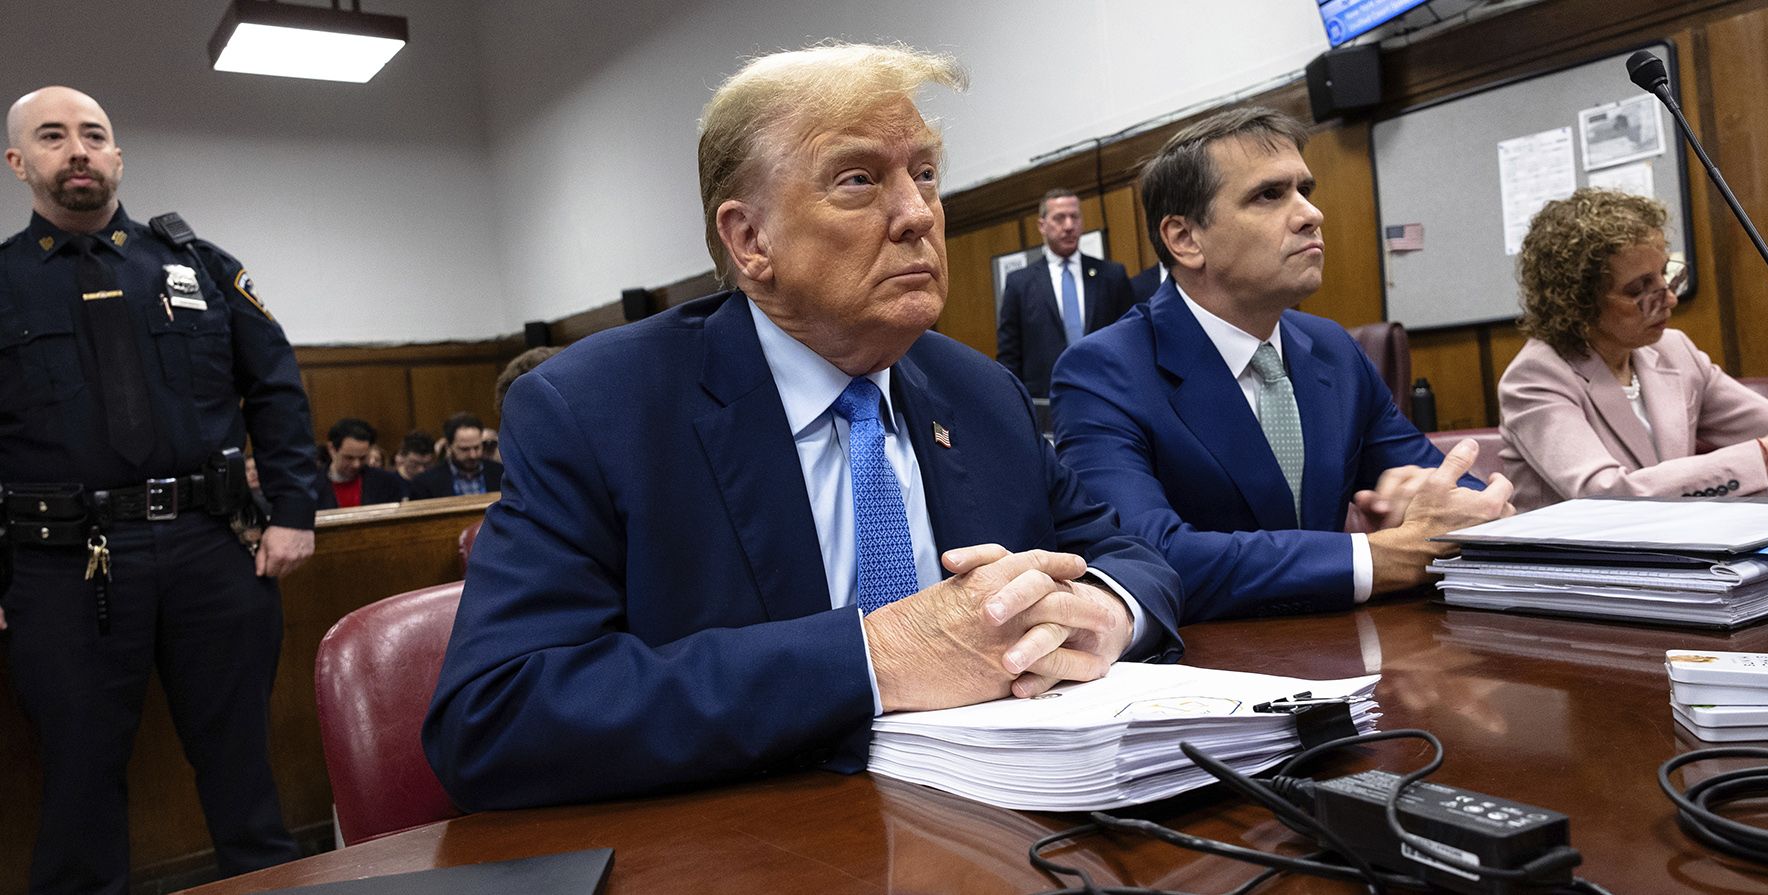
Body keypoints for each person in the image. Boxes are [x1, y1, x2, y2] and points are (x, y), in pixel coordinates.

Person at [423, 43, 1183, 812]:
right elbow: (495, 713)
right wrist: (877, 657)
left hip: (1004, 827)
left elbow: (1125, 555)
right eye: (859, 180)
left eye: (925, 173)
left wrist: (1106, 613)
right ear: (751, 240)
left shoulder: (982, 393)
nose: (918, 214)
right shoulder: (595, 410)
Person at [0, 86, 316, 893]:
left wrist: (291, 512)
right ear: (18, 163)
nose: (77, 149)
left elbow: (275, 386)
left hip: (212, 546)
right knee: (78, 778)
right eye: (52, 136)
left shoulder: (199, 264)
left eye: (94, 134)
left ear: (116, 156)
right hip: (61, 565)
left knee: (242, 763)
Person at [1050, 107, 1511, 624]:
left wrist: (1467, 508)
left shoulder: (1331, 348)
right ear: (1185, 239)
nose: (1310, 214)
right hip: (1208, 673)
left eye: (1304, 190)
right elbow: (1145, 558)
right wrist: (1380, 557)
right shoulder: (1103, 370)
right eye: (1269, 195)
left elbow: (1449, 487)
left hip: (1348, 654)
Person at [1499, 188, 1768, 510]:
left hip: (1684, 561)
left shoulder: (1672, 351)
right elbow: (1604, 493)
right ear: (1576, 301)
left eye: (1665, 277)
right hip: (1576, 580)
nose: (1668, 299)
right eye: (1639, 290)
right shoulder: (1537, 377)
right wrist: (1767, 458)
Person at [995, 190, 1138, 398]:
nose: (1069, 226)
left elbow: (1131, 340)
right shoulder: (1020, 284)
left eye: (1075, 217)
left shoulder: (1111, 275)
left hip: (1110, 392)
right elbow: (1009, 356)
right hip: (1049, 401)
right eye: (1059, 218)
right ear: (1042, 225)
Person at [312, 417, 408, 509]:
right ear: (332, 449)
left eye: (362, 458)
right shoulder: (311, 485)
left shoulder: (386, 482)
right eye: (349, 458)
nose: (356, 464)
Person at [405, 412, 503, 499]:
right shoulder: (425, 483)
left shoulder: (501, 473)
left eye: (477, 447)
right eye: (464, 449)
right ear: (448, 447)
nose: (473, 455)